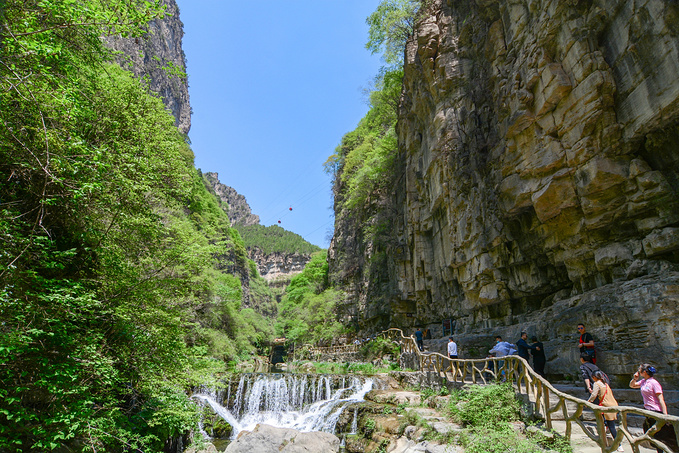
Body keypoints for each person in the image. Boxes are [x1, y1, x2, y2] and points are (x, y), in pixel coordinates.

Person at [630, 363, 677, 453]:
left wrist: (665, 415)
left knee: (660, 435)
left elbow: (661, 399)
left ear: (644, 372)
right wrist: (634, 378)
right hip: (648, 412)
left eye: (640, 369)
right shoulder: (643, 381)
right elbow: (632, 385)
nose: (638, 371)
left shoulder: (654, 383)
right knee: (654, 434)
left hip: (656, 411)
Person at [588, 371, 625, 452]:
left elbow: (594, 395)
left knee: (612, 426)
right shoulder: (605, 383)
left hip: (607, 406)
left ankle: (619, 445)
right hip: (613, 404)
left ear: (594, 377)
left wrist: (588, 402)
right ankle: (606, 435)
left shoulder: (597, 384)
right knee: (609, 424)